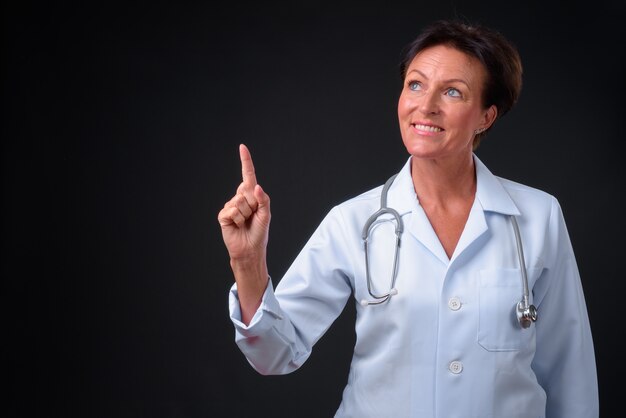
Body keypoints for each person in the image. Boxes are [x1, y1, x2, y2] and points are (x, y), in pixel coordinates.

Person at [217, 19, 598, 417]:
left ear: (486, 116)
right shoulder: (354, 222)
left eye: (453, 92)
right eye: (415, 85)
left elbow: (570, 374)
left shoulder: (538, 217)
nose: (426, 105)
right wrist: (247, 263)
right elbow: (274, 354)